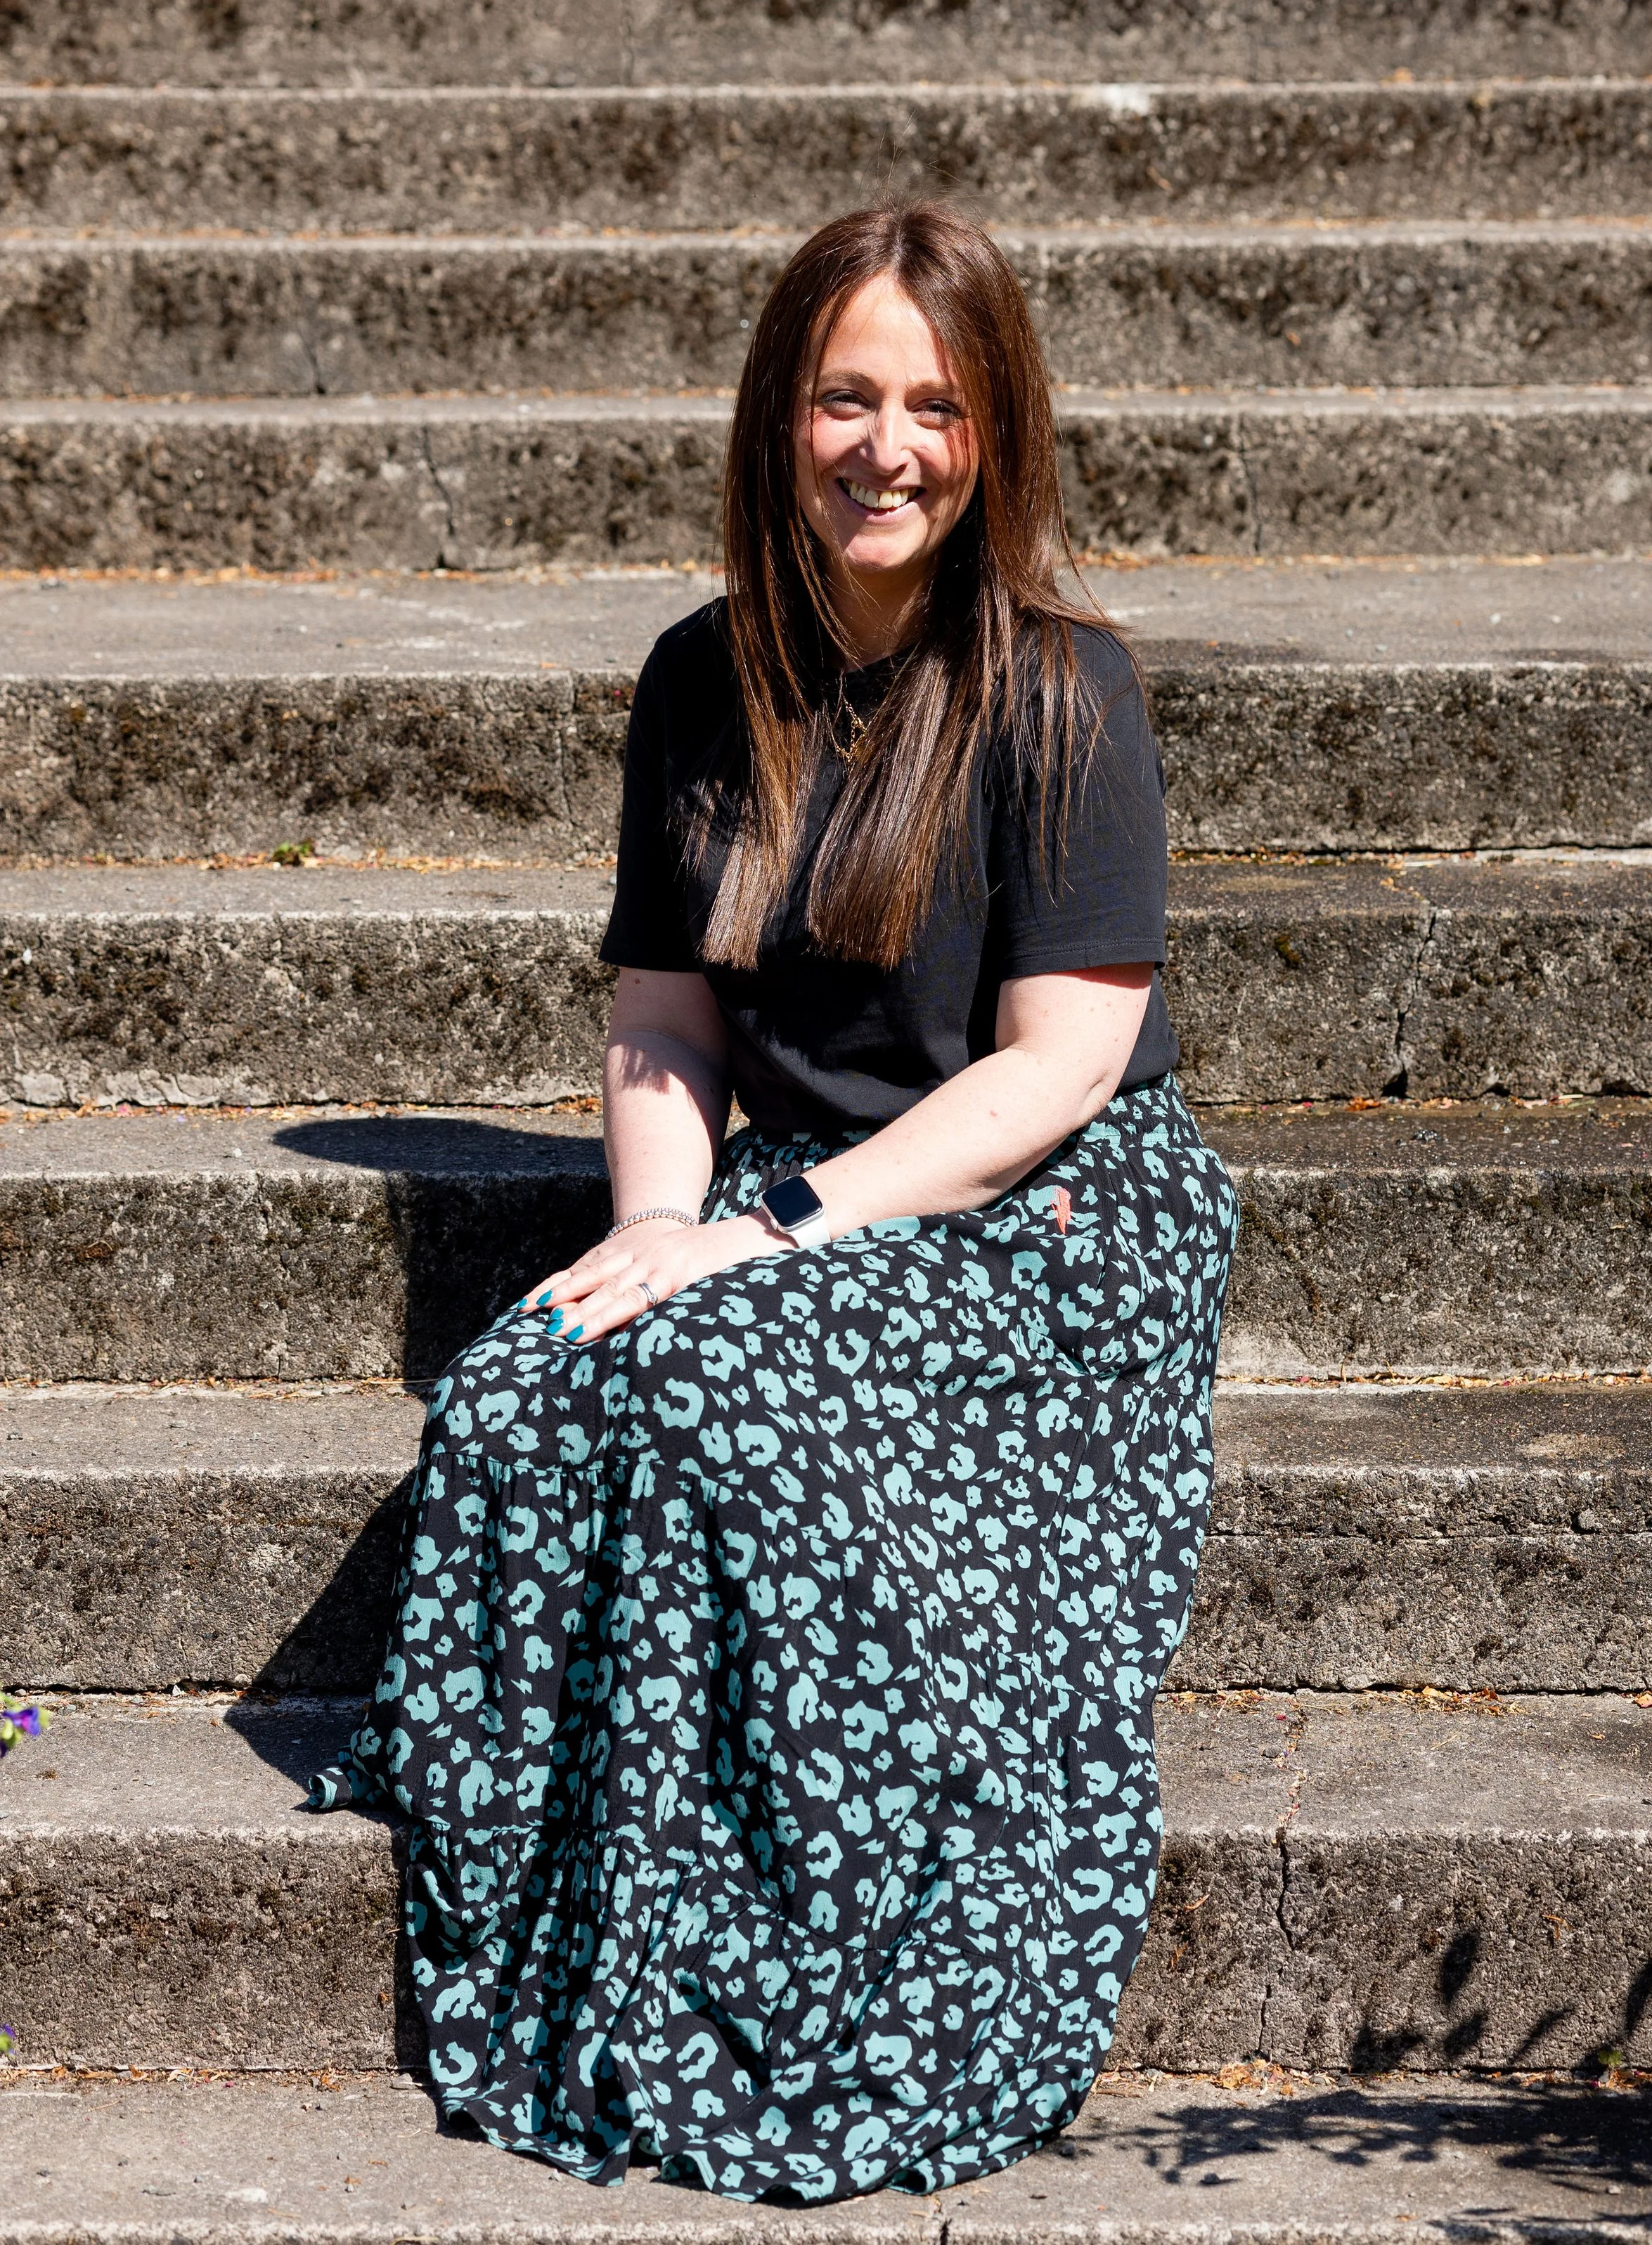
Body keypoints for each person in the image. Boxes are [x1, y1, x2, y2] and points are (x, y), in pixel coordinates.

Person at [309, 202, 1238, 2203]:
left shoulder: (1060, 690)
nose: (884, 445)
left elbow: (1054, 1070)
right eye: (844, 395)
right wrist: (657, 1231)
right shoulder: (696, 679)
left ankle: (808, 1985)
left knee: (725, 1404)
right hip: (784, 1195)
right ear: (777, 418)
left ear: (995, 441)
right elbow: (665, 1022)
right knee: (529, 1386)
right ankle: (607, 1942)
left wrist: (768, 1237)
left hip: (1038, 1220)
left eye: (932, 405)